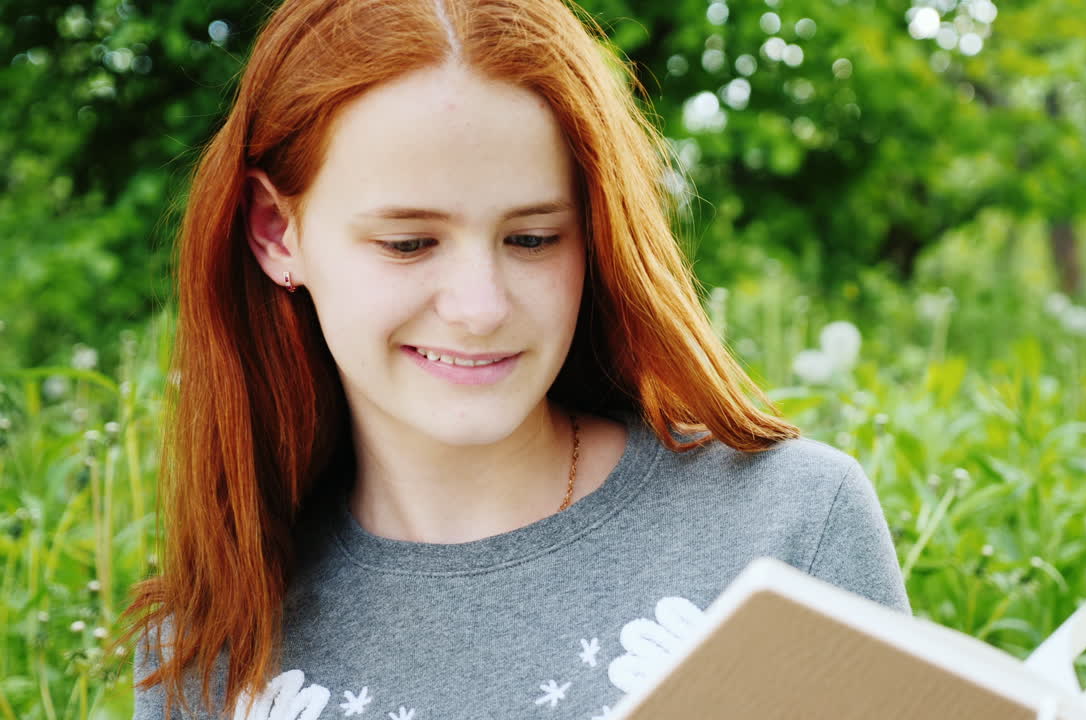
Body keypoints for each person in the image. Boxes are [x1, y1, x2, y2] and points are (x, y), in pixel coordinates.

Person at [117, 0, 909, 717]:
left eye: (532, 238)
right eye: (409, 243)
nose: (480, 305)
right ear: (275, 233)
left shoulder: (789, 528)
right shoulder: (205, 655)